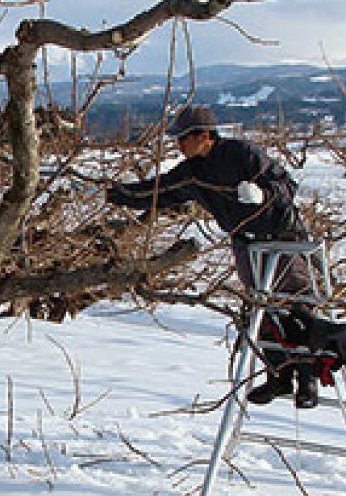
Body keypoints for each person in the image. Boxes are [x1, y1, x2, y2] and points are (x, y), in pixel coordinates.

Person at [105, 104, 317, 409]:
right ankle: (279, 377)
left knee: (296, 306)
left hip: (282, 239)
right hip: (246, 242)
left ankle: (307, 378)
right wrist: (121, 195)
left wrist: (262, 195)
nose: (178, 146)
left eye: (183, 139)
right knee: (262, 308)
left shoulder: (243, 154)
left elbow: (286, 186)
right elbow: (160, 191)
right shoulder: (192, 172)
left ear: (204, 136)